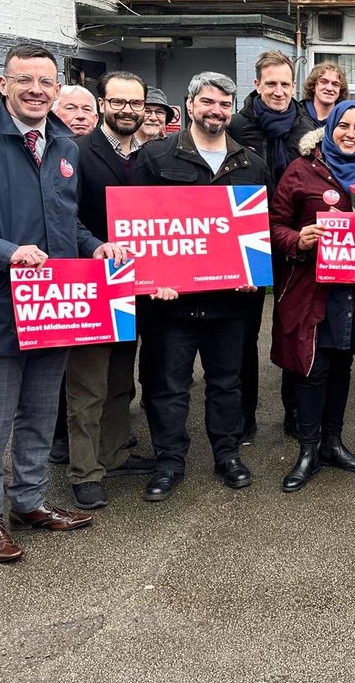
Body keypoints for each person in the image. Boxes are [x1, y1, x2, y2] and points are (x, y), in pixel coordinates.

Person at [0, 43, 125, 563]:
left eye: (45, 81)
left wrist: (94, 246)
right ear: (4, 85)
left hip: (56, 306)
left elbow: (66, 221)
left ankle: (30, 501)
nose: (36, 89)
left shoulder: (63, 145)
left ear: (56, 89)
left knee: (39, 414)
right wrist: (5, 253)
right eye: (25, 80)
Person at [133, 72, 269, 501]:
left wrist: (253, 273)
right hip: (170, 304)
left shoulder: (251, 164)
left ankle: (226, 454)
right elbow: (138, 224)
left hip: (230, 304)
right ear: (189, 106)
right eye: (208, 102)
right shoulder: (155, 158)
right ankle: (169, 460)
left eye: (225, 105)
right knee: (167, 386)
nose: (217, 111)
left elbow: (258, 231)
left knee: (226, 383)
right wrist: (152, 278)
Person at [271, 101, 355, 491]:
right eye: (344, 126)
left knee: (341, 367)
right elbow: (273, 226)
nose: (351, 134)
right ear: (329, 127)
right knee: (312, 369)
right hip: (311, 292)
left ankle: (333, 443)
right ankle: (307, 449)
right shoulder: (300, 170)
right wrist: (299, 239)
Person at [64, 71, 157, 509]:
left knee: (122, 375)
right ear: (103, 104)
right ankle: (85, 470)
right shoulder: (76, 151)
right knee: (87, 383)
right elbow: (64, 217)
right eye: (118, 102)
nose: (127, 110)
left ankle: (114, 451)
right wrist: (95, 246)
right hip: (91, 281)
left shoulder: (153, 154)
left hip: (138, 283)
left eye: (135, 103)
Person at [229, 50, 318, 440]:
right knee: (243, 332)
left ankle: (294, 412)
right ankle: (243, 415)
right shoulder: (235, 126)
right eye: (271, 84)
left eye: (285, 84)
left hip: (293, 238)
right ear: (257, 85)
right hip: (246, 237)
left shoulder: (308, 126)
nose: (279, 91)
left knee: (292, 326)